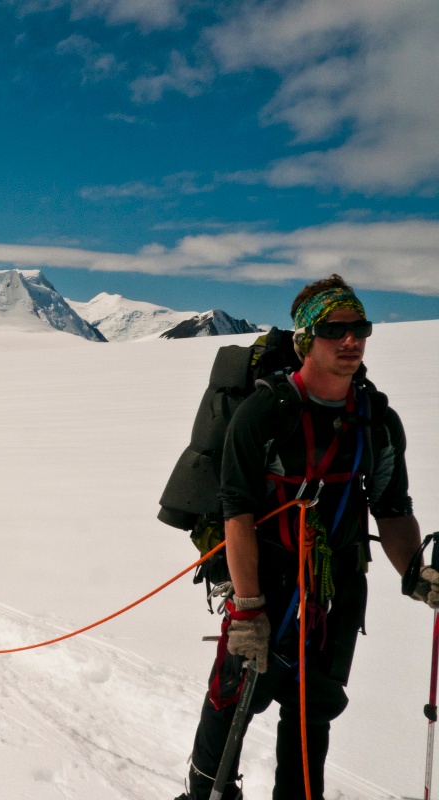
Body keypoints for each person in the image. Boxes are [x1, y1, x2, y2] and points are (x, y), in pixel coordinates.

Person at [176, 274, 438, 799]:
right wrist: (248, 609)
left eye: (359, 327)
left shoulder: (376, 421)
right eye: (333, 329)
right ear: (304, 339)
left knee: (310, 712)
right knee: (233, 698)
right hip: (264, 583)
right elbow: (237, 513)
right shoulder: (263, 413)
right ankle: (204, 793)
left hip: (334, 592)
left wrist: (415, 574)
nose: (351, 340)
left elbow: (392, 510)